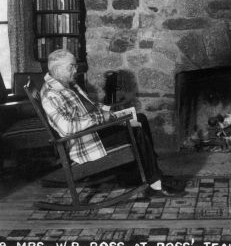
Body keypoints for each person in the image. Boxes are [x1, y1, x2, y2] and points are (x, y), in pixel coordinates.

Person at [40, 49, 182, 197]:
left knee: (140, 118)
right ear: (57, 69)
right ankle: (155, 184)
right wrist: (103, 118)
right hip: (84, 142)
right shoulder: (51, 94)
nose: (75, 70)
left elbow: (90, 106)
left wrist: (112, 112)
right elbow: (67, 127)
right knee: (136, 131)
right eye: (72, 67)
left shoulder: (67, 84)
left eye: (75, 66)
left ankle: (152, 173)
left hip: (92, 131)